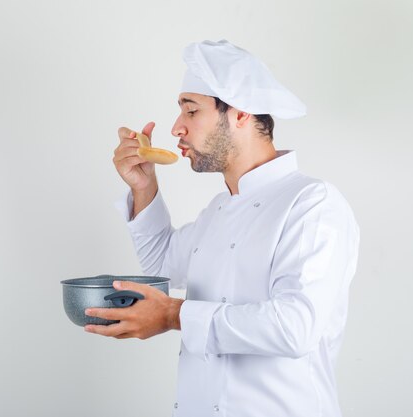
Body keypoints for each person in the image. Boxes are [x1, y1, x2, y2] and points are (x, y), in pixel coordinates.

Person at [84, 39, 360, 417]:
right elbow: (162, 268)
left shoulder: (311, 203)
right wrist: (144, 186)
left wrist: (173, 315)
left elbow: (296, 326)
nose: (176, 128)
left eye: (191, 110)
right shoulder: (218, 209)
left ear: (241, 113)